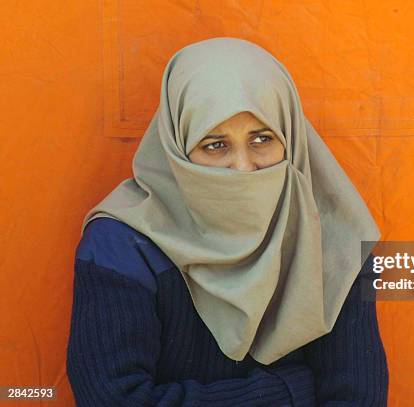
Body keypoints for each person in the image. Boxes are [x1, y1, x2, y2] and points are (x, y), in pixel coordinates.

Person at [66, 37, 388, 406]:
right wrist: (288, 392)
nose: (243, 166)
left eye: (262, 139)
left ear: (291, 138)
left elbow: (357, 396)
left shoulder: (333, 236)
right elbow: (113, 400)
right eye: (215, 145)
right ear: (177, 146)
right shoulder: (121, 244)